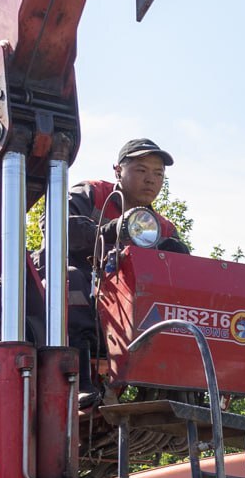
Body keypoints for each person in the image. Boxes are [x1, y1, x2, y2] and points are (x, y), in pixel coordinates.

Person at [61, 138, 187, 404]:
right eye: (141, 170)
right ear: (118, 171)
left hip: (123, 298)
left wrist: (176, 255)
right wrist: (109, 231)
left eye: (158, 174)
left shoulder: (163, 227)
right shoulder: (93, 193)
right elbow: (55, 225)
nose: (151, 180)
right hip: (73, 281)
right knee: (71, 279)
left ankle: (175, 389)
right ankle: (79, 379)